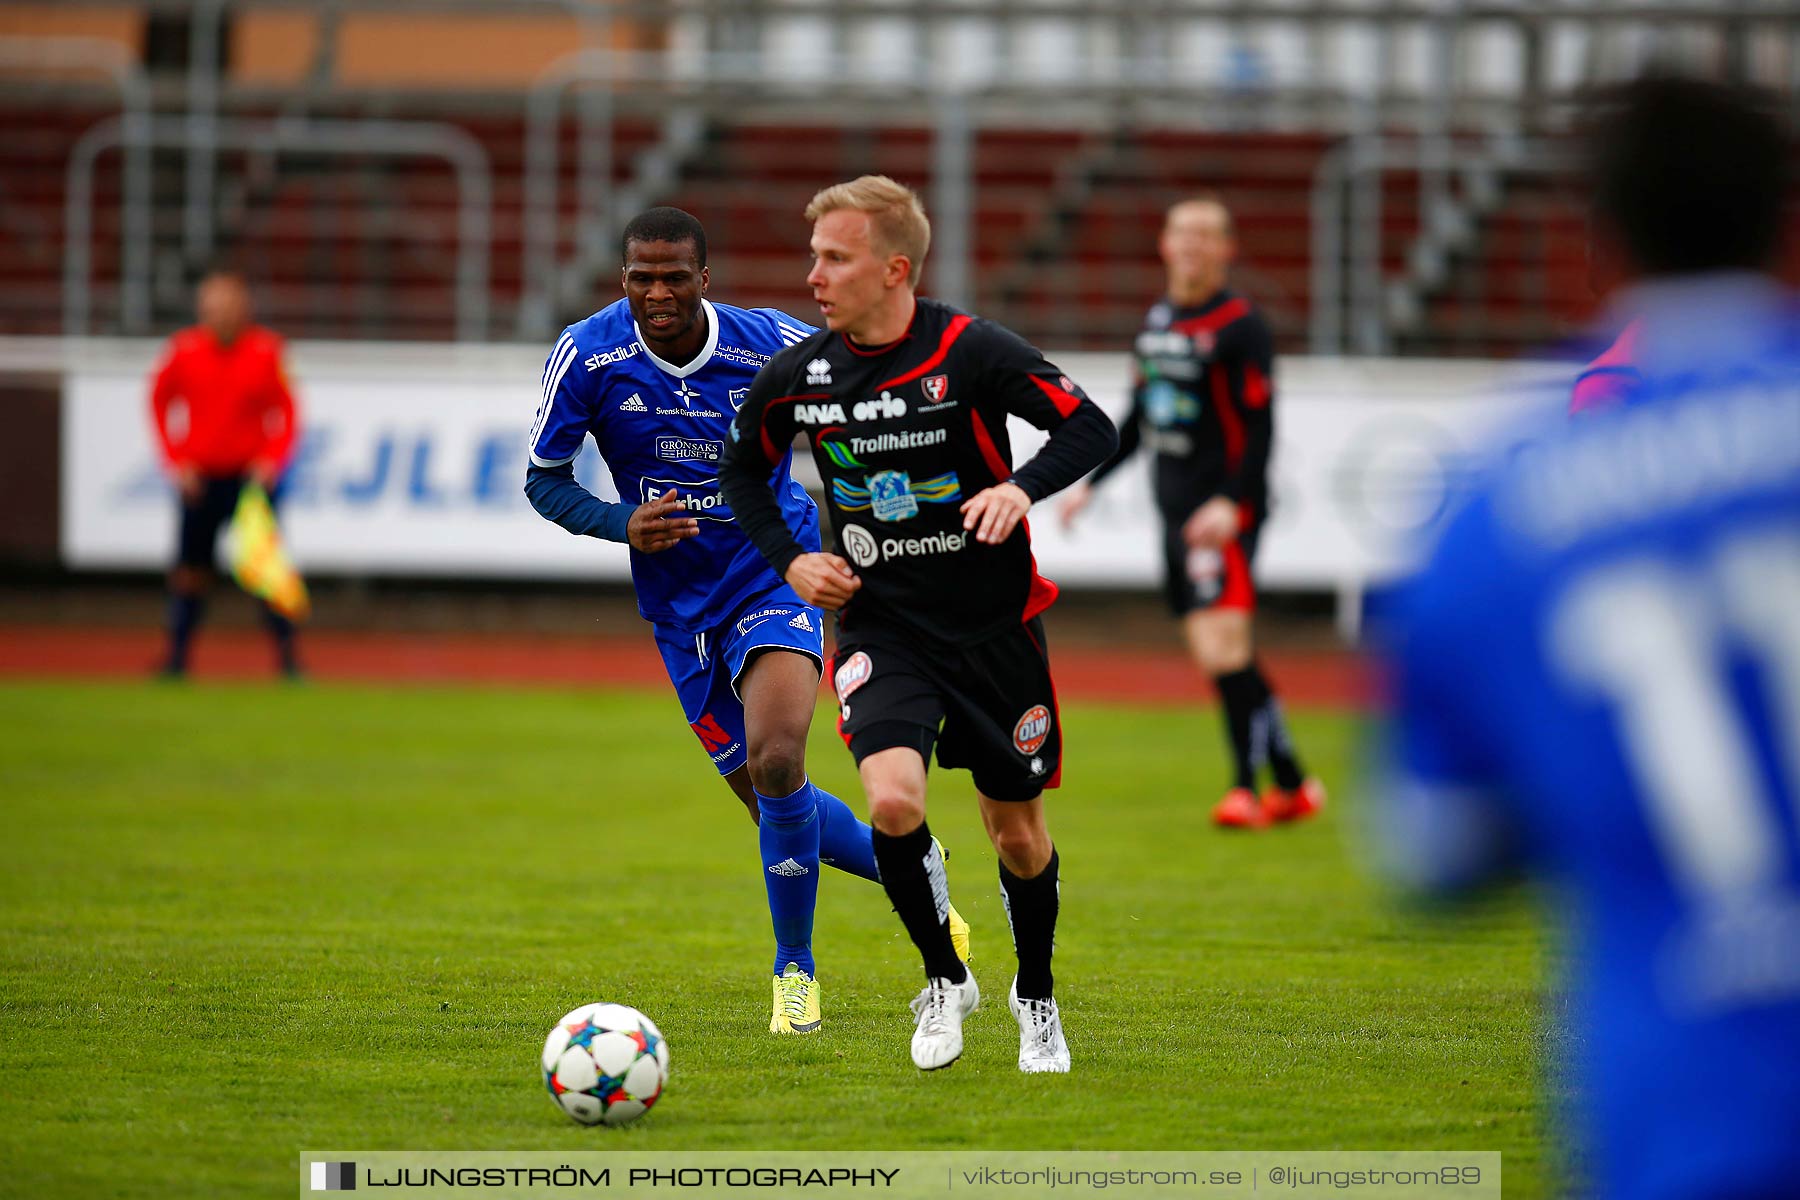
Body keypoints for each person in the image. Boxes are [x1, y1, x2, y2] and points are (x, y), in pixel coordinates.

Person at [1382, 75, 1799, 1200]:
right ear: (1785, 219)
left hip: (1693, 1107)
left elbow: (1437, 850)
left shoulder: (1502, 502)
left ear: (1597, 240)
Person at [523, 207, 967, 1036]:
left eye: (674, 277)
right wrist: (620, 523)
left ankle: (793, 972)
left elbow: (866, 394)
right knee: (776, 805)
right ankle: (917, 866)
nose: (657, 293)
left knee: (775, 757)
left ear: (704, 279)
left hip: (775, 570)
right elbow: (544, 481)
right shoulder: (587, 355)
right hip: (676, 605)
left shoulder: (769, 344)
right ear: (622, 281)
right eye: (641, 278)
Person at [719, 176, 1117, 1073]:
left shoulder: (969, 351)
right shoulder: (803, 375)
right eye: (814, 255)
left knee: (1015, 832)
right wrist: (791, 558)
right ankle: (944, 978)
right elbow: (742, 470)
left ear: (894, 267)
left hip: (994, 630)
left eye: (836, 257)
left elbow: (1088, 426)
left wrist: (1021, 489)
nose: (814, 275)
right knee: (894, 801)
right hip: (880, 626)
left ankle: (1037, 997)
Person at [1059, 197, 1323, 829]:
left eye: (1207, 235)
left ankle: (1245, 790)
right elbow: (1142, 418)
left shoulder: (1241, 324)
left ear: (1227, 250)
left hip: (1221, 514)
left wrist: (1232, 502)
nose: (1194, 245)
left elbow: (1260, 427)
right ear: (1164, 244)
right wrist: (1091, 482)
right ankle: (1291, 780)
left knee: (1224, 645)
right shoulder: (1158, 320)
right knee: (1220, 652)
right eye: (1184, 233)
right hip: (1174, 511)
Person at [148, 267, 301, 678]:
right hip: (201, 481)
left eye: (228, 304)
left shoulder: (267, 351)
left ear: (244, 306)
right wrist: (176, 461)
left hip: (249, 482)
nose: (220, 313)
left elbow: (287, 411)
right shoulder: (184, 351)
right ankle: (177, 659)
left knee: (268, 573)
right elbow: (159, 403)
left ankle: (288, 661)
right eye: (212, 305)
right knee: (190, 574)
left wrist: (272, 459)